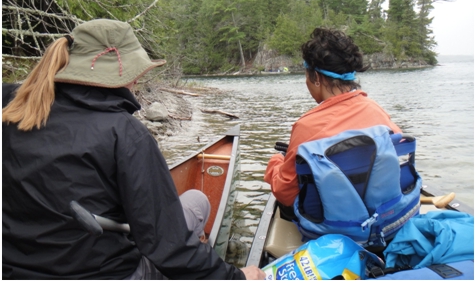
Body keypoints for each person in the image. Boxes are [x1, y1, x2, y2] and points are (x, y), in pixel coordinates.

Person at [2, 19, 264, 280]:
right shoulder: (124, 133)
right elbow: (169, 248)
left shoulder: (11, 109)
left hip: (15, 271)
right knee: (197, 201)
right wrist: (237, 277)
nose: (138, 80)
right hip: (106, 274)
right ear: (121, 73)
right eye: (136, 74)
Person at [264, 28, 402, 215]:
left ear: (317, 78)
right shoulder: (377, 111)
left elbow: (285, 193)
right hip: (379, 215)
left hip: (332, 225)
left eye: (306, 75)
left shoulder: (307, 126)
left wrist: (276, 163)